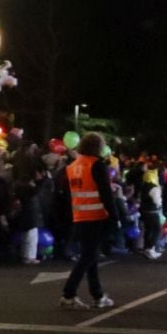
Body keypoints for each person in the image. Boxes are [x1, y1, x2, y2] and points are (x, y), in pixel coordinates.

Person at [56, 133, 121, 311]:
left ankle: (97, 294)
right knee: (88, 257)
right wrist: (115, 216)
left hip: (79, 216)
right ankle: (68, 293)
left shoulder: (72, 166)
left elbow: (69, 194)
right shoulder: (96, 165)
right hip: (97, 216)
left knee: (90, 256)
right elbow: (106, 194)